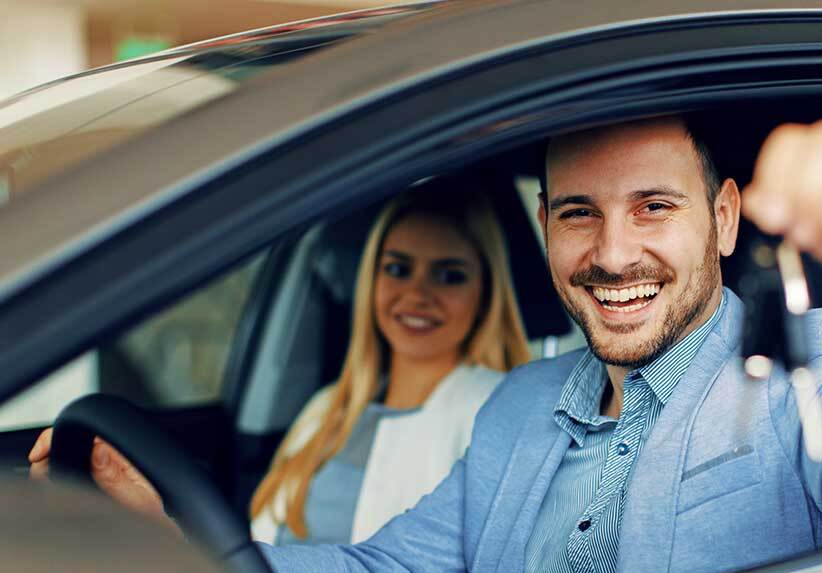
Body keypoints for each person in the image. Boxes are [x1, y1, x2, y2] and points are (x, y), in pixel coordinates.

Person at [37, 113, 822, 573]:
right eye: (577, 215)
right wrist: (174, 553)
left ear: (725, 220)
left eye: (655, 208)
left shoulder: (809, 370)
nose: (612, 254)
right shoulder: (521, 409)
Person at [28, 180, 531, 545]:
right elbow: (257, 556)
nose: (416, 294)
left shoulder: (493, 411)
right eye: (397, 268)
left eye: (449, 275)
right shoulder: (326, 408)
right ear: (370, 281)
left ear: (487, 294)